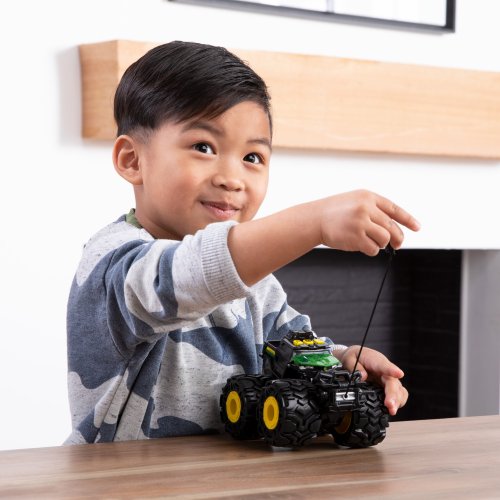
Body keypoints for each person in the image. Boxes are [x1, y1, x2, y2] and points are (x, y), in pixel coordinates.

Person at [65, 41, 420, 444]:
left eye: (252, 157)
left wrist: (343, 361)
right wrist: (314, 222)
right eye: (203, 147)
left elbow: (290, 350)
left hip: (232, 475)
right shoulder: (113, 261)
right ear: (132, 160)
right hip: (124, 476)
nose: (232, 179)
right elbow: (188, 275)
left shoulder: (255, 283)